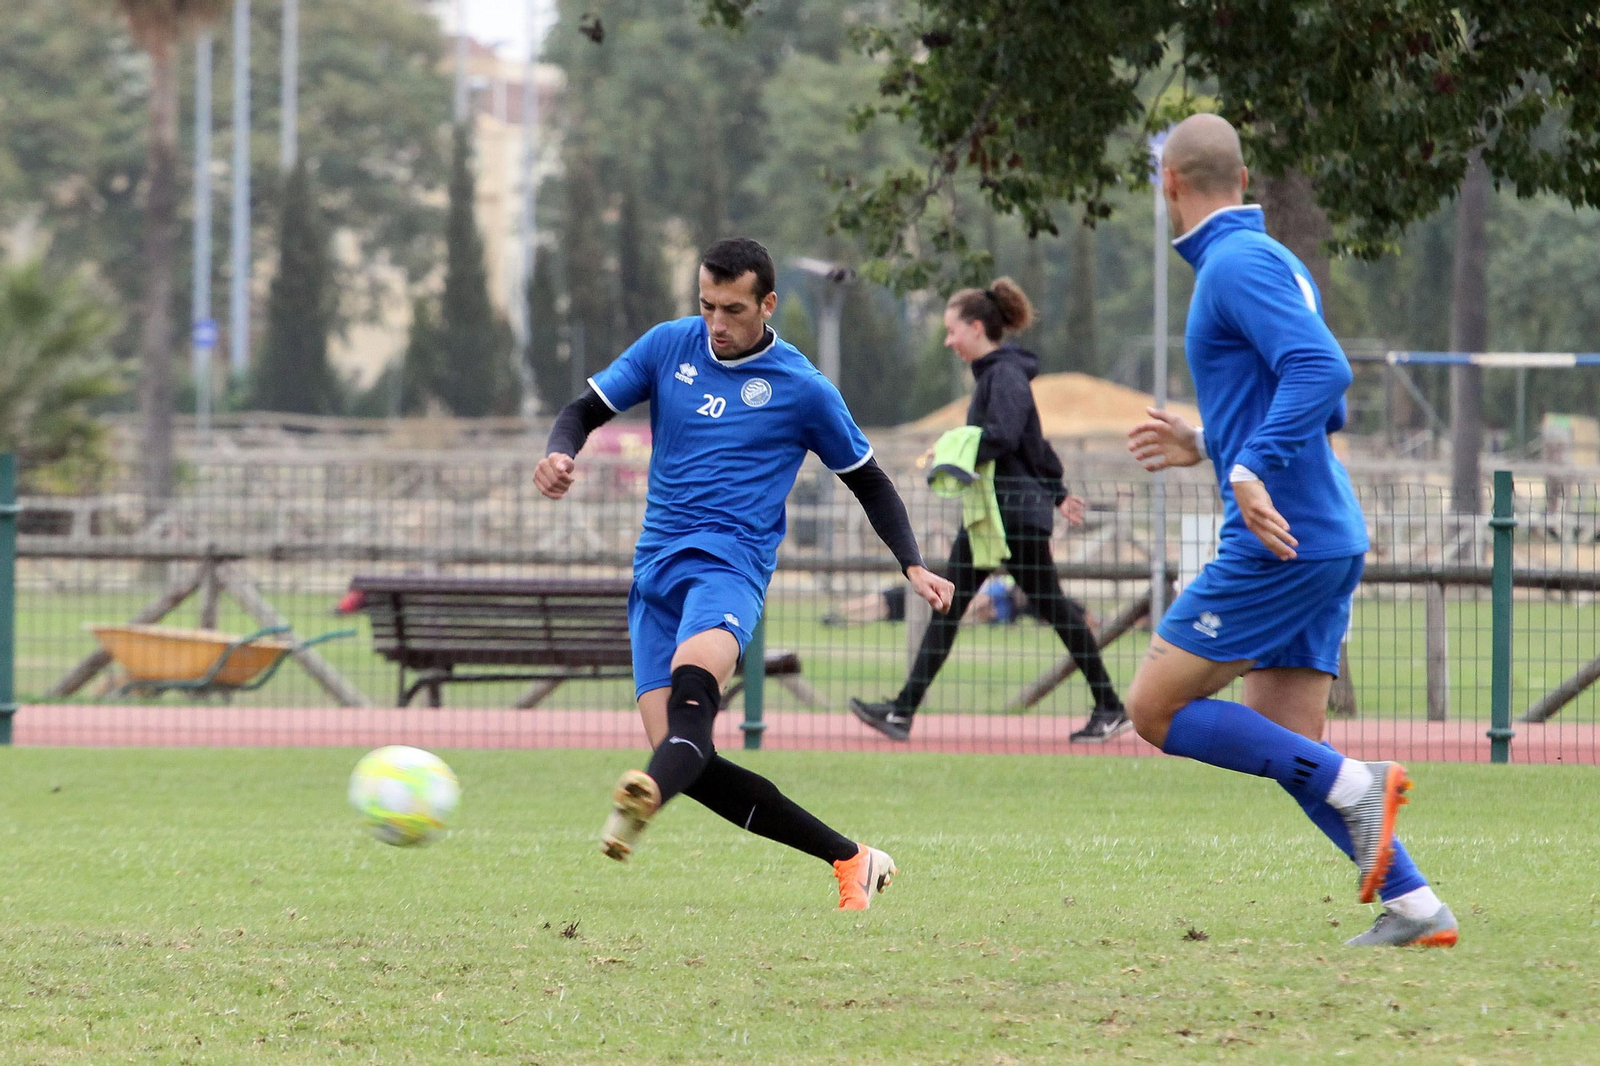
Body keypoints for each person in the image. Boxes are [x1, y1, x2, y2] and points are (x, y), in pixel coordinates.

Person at [535, 237, 955, 911]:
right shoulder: (669, 346)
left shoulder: (802, 388)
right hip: (654, 579)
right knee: (686, 760)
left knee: (688, 725)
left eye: (732, 309)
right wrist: (558, 453)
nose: (716, 324)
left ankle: (639, 802)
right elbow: (581, 412)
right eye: (706, 305)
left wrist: (912, 563)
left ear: (768, 303)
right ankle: (852, 859)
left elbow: (869, 482)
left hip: (728, 570)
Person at [1123, 113, 1456, 947]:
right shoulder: (1271, 261)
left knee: (1154, 709)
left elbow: (1323, 371)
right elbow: (1321, 399)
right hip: (1320, 532)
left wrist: (1247, 468)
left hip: (1278, 537)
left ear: (1170, 184)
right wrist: (1211, 443)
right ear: (1243, 180)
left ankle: (1360, 783)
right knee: (1287, 743)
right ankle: (1416, 906)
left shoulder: (1232, 266)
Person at [849, 278, 1130, 743]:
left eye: (952, 330)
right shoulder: (1002, 375)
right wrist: (1058, 490)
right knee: (968, 606)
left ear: (977, 327)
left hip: (1011, 515)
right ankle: (901, 711)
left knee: (1045, 609)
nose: (948, 341)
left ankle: (1111, 706)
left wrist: (955, 451)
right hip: (997, 514)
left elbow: (1005, 435)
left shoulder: (1005, 376)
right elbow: (1032, 445)